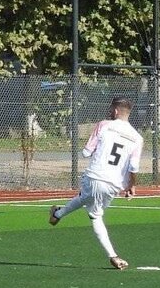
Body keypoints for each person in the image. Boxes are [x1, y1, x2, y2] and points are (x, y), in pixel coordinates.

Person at [49, 96, 144, 270]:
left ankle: (112, 255)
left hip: (94, 176)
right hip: (114, 184)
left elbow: (86, 152)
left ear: (115, 111)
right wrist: (132, 185)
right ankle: (57, 214)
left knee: (91, 207)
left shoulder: (103, 125)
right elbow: (134, 167)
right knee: (90, 205)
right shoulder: (137, 138)